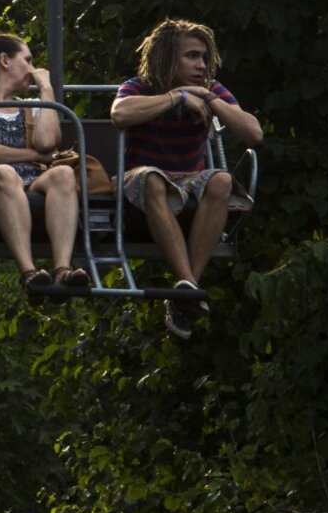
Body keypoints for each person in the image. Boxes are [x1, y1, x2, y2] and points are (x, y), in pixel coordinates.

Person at [109, 18, 262, 338]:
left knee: (221, 180)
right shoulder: (138, 87)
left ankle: (184, 289)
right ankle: (187, 287)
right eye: (191, 56)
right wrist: (177, 97)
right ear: (167, 57)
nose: (201, 64)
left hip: (189, 177)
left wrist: (208, 98)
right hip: (139, 177)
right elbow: (120, 114)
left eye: (204, 57)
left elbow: (253, 133)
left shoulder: (211, 88)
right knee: (152, 179)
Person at [0, 32, 88, 296]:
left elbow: (47, 143)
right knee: (5, 173)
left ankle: (62, 271)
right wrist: (33, 156)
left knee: (63, 175)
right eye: (28, 60)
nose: (33, 69)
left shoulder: (31, 107)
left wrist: (47, 90)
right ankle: (28, 272)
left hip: (29, 180)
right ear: (5, 60)